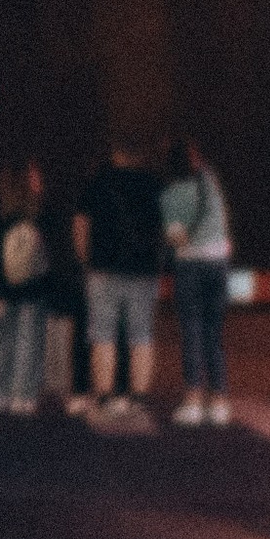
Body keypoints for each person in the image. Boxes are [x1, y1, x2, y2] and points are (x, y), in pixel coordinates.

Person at [72, 140, 165, 419]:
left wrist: (85, 260)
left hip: (103, 268)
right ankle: (136, 398)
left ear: (115, 153)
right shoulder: (154, 185)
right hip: (143, 270)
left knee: (102, 336)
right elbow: (164, 227)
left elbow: (81, 224)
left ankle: (104, 396)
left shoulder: (98, 182)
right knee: (141, 336)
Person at [161, 135, 233, 425]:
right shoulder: (211, 187)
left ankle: (192, 399)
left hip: (189, 265)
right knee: (213, 333)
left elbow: (174, 237)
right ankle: (219, 402)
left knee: (191, 330)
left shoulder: (169, 196)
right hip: (218, 263)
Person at [0, 160, 57, 416]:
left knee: (3, 341)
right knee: (29, 342)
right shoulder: (40, 214)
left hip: (3, 289)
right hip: (33, 289)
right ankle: (23, 395)